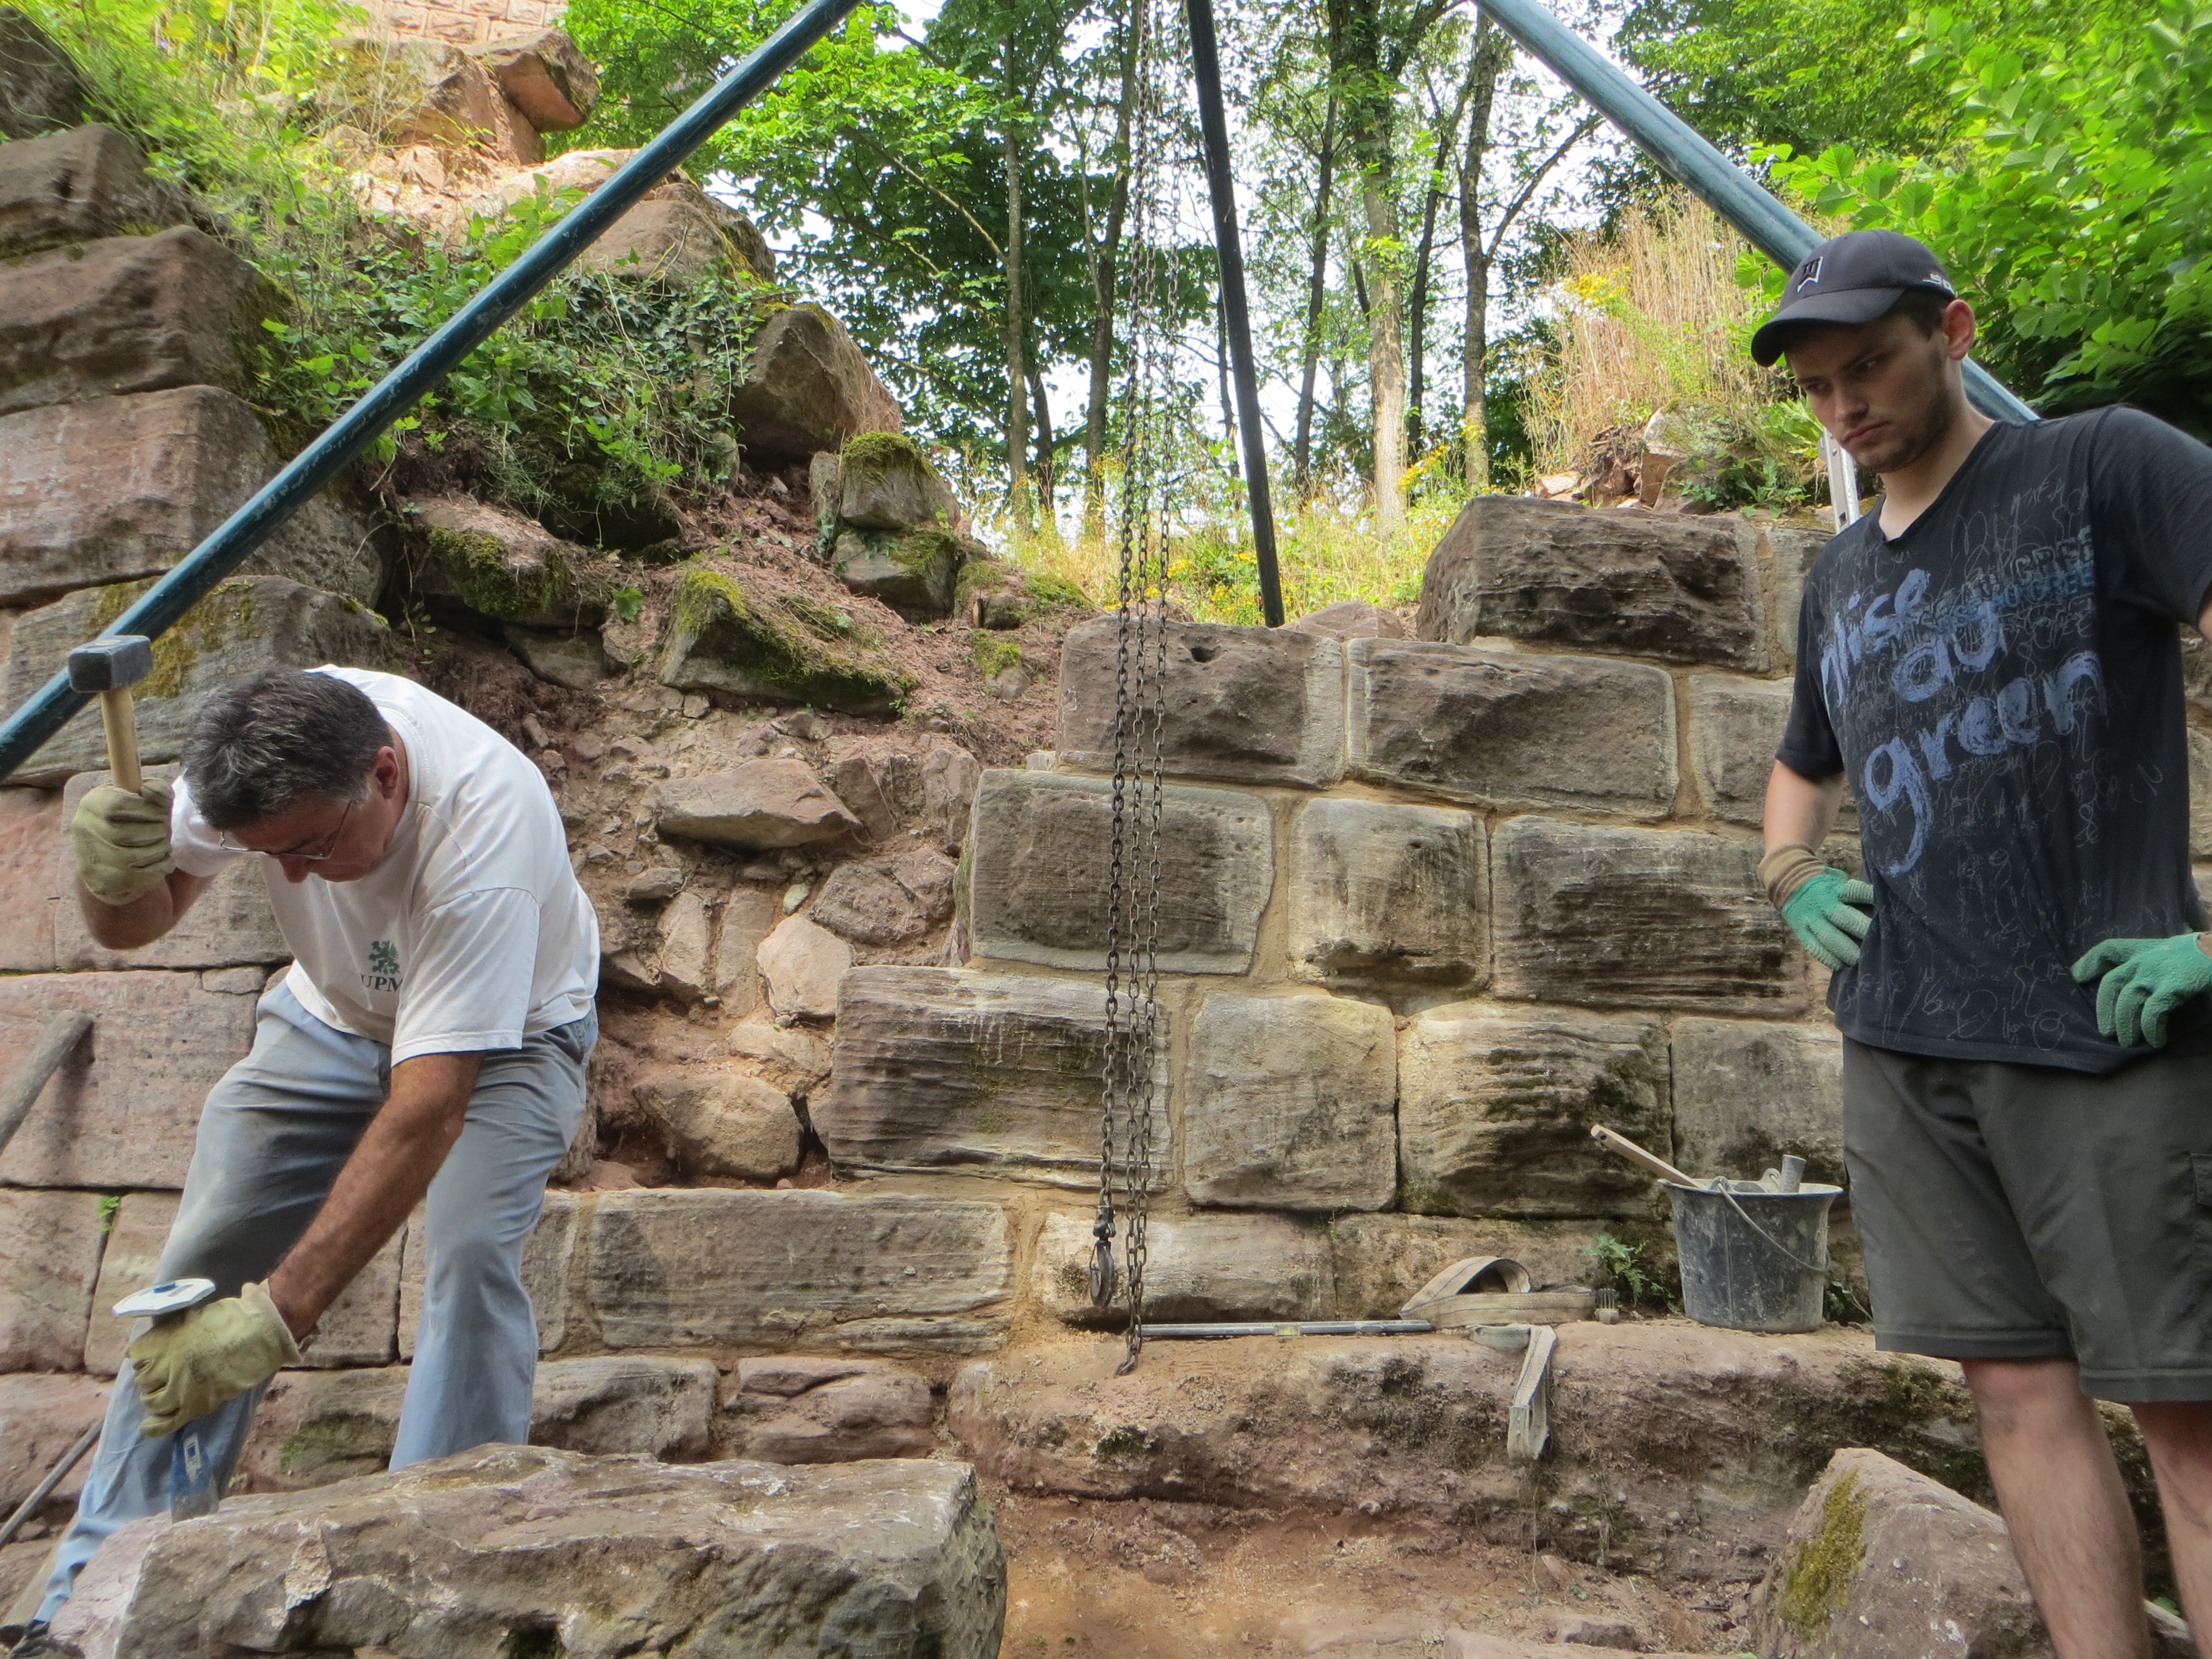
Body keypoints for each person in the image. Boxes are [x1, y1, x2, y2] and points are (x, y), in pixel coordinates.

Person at [1757, 228, 2212, 1658]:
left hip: (2104, 1023)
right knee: (2013, 1396)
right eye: (1816, 388)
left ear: (1951, 333)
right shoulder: (1838, 577)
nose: (1844, 406)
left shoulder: (2100, 468)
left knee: (2186, 1411)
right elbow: (1801, 762)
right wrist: (1787, 872)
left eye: (1870, 366)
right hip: (1906, 1042)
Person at [17, 666, 598, 1647]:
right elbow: (135, 923)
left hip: (513, 1036)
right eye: (265, 856)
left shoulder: (484, 831)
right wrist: (105, 878)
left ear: (384, 776)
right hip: (330, 1015)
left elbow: (429, 1108)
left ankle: (437, 1570)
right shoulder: (253, 764)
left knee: (468, 1256)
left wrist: (277, 1318)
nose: (290, 878)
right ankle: (94, 1599)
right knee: (200, 1267)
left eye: (310, 848)